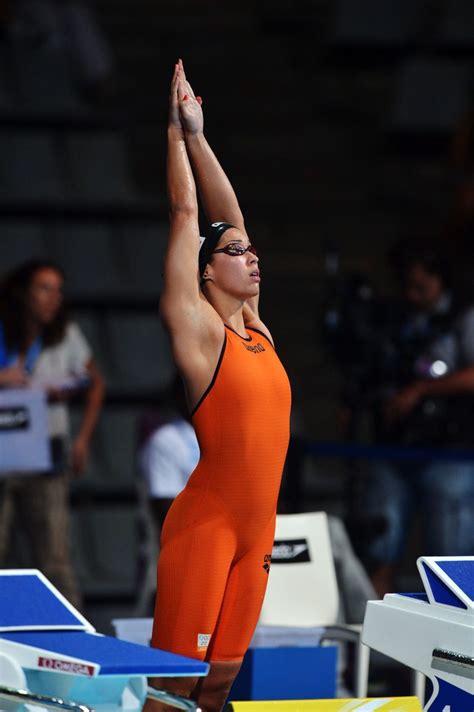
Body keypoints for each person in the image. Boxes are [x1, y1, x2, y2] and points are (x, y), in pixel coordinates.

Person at [144, 61, 291, 712]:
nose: (251, 255)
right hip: (206, 530)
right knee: (173, 691)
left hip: (258, 535)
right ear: (204, 274)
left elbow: (232, 217)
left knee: (219, 689)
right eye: (235, 252)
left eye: (251, 250)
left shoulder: (255, 328)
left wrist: (204, 138)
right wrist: (177, 135)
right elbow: (190, 210)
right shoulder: (202, 337)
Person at [355, 240, 474, 597]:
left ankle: (454, 648)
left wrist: (421, 390)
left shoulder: (463, 317)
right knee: (379, 551)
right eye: (408, 285)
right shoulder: (395, 317)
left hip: (450, 453)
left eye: (422, 286)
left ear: (441, 281)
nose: (413, 293)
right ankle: (372, 649)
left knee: (451, 560)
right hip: (394, 449)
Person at [0, 259, 105, 609]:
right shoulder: (3, 331)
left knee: (55, 557)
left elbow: (96, 383)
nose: (53, 298)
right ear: (23, 293)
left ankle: (75, 641)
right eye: (44, 288)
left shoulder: (65, 334)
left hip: (46, 453)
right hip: (4, 451)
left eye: (58, 290)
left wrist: (83, 439)